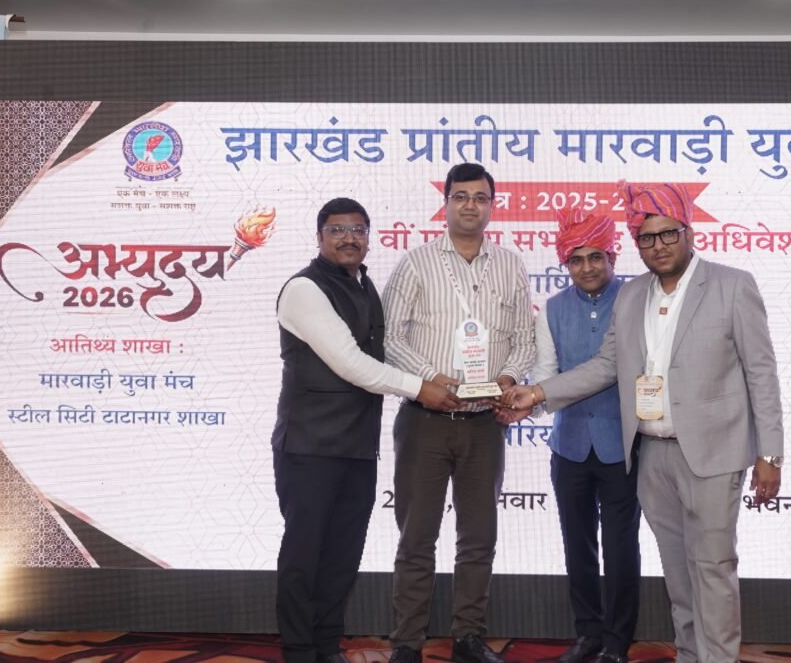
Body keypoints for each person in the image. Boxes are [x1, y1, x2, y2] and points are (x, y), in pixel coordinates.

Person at [503, 182, 784, 663]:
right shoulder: (632, 295)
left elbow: (762, 372)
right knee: (678, 575)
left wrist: (770, 454)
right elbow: (605, 365)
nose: (658, 245)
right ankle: (691, 655)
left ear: (689, 232)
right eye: (647, 238)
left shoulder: (732, 285)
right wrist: (538, 393)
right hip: (652, 455)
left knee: (712, 568)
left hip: (713, 453)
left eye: (668, 233)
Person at [272, 197, 462, 663]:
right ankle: (299, 651)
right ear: (319, 236)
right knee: (304, 557)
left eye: (358, 230)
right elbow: (351, 363)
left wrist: (435, 377)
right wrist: (422, 389)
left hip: (356, 447)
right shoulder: (304, 289)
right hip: (309, 448)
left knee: (342, 555)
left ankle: (325, 645)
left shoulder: (364, 285)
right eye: (337, 230)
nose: (349, 238)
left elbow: (384, 353)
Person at [382, 163, 535, 663]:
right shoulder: (416, 262)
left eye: (481, 198)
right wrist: (429, 378)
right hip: (425, 421)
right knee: (416, 538)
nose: (471, 205)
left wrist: (508, 378)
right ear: (445, 203)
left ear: (492, 206)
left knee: (479, 539)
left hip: (484, 424)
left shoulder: (510, 265)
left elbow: (525, 340)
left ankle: (468, 637)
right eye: (461, 196)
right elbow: (389, 337)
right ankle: (408, 642)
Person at [531, 209, 641, 663]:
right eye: (576, 260)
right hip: (570, 446)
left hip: (623, 448)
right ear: (565, 263)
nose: (587, 267)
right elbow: (545, 374)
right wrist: (522, 404)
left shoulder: (636, 299)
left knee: (620, 548)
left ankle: (617, 642)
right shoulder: (553, 309)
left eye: (596, 257)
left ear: (613, 257)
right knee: (577, 545)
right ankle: (588, 634)